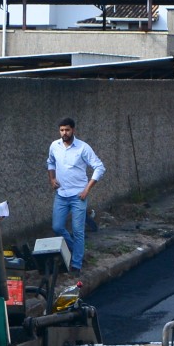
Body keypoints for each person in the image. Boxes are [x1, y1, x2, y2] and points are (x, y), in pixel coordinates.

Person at [46, 117, 105, 273]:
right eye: (61, 130)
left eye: (67, 130)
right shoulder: (55, 146)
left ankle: (76, 265)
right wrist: (52, 179)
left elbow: (99, 167)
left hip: (79, 195)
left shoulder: (83, 148)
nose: (64, 133)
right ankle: (75, 249)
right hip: (61, 194)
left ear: (73, 130)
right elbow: (50, 162)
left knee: (78, 230)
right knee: (57, 227)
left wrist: (87, 189)